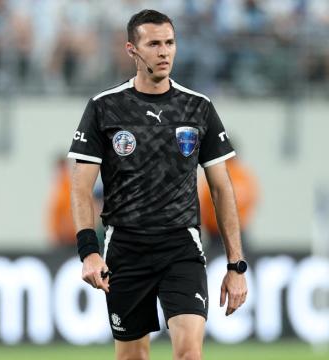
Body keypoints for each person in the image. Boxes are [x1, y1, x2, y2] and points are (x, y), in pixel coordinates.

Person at [68, 9, 248, 360]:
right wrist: (89, 250)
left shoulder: (198, 108)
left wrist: (236, 266)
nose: (164, 51)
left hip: (181, 246)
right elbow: (80, 187)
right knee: (132, 357)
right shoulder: (104, 108)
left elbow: (223, 189)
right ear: (132, 50)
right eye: (153, 44)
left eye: (170, 43)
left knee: (189, 354)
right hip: (126, 248)